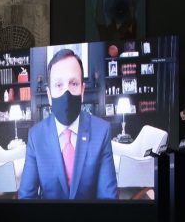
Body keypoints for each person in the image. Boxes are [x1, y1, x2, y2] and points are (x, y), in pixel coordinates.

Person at [18, 49, 118, 200]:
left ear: (82, 91)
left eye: (74, 83)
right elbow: (26, 197)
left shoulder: (101, 131)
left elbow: (108, 198)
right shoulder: (36, 136)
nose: (67, 92)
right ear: (49, 95)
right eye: (58, 84)